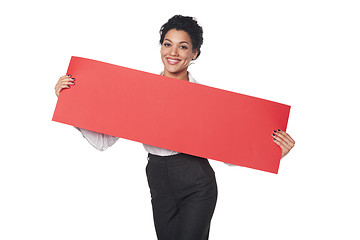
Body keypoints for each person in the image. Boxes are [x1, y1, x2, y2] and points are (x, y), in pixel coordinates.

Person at [54, 15, 295, 240]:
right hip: (158, 180)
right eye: (167, 44)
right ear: (160, 48)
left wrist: (271, 152)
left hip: (196, 181)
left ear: (195, 53)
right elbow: (103, 141)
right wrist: (70, 103)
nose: (173, 52)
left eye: (183, 46)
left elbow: (229, 152)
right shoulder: (139, 92)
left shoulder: (206, 101)